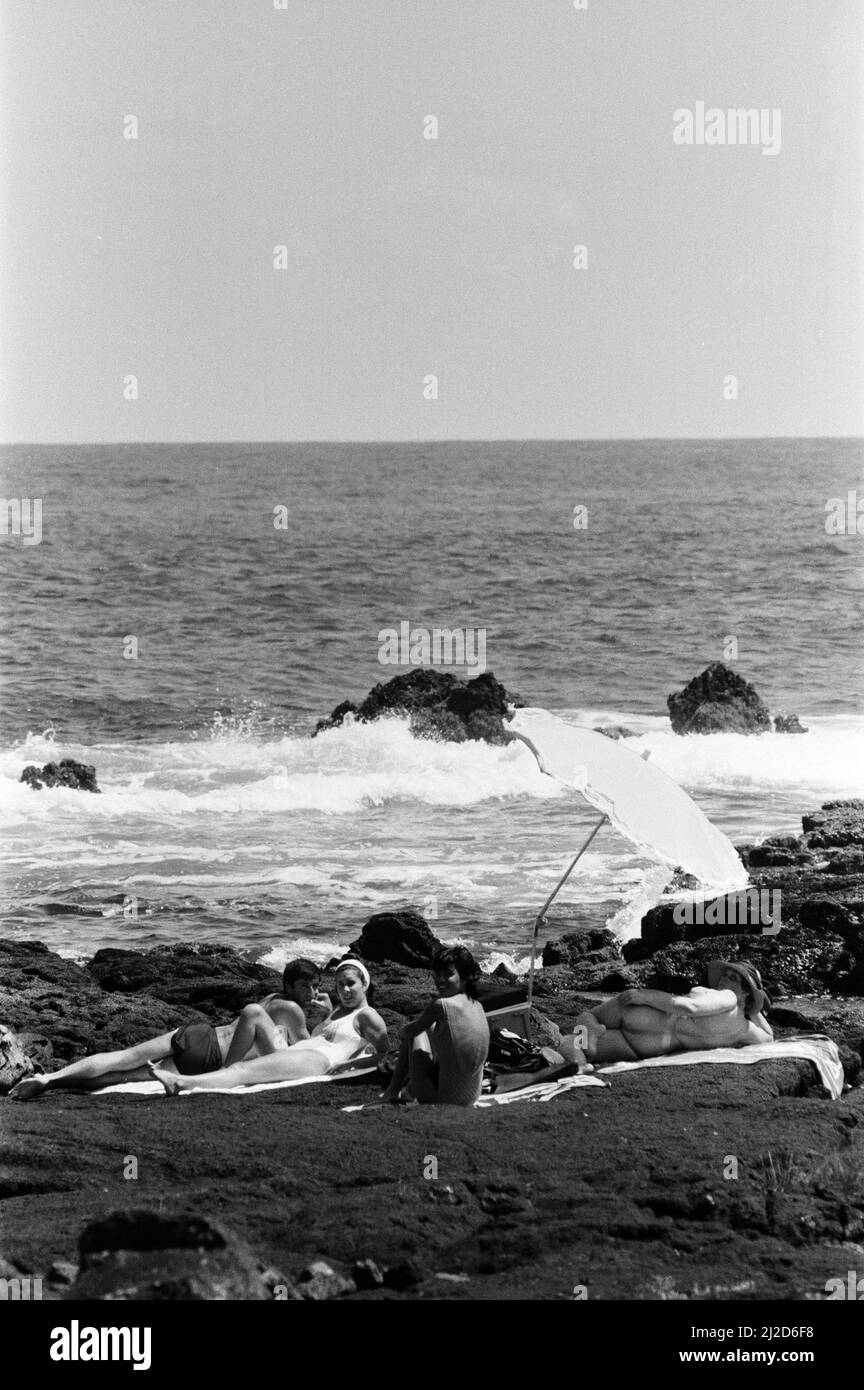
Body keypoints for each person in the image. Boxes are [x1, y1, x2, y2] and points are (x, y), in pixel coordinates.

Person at [8, 957, 329, 1101]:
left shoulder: (273, 998)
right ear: (288, 985)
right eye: (306, 987)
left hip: (199, 1032)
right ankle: (52, 1086)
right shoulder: (291, 1009)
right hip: (211, 1058)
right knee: (124, 1077)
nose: (311, 993)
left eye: (315, 987)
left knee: (125, 1058)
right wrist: (328, 1015)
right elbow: (308, 1048)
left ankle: (49, 1078)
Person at [148, 958, 388, 1093]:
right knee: (253, 1013)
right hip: (297, 1053)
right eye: (338, 985)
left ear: (364, 984)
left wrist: (350, 1065)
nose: (343, 990)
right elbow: (318, 1034)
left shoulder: (368, 1015)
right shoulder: (337, 1011)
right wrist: (326, 1014)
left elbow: (385, 1055)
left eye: (350, 984)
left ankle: (180, 1082)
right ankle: (212, 1073)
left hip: (317, 1059)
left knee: (243, 1071)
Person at [560, 960, 773, 1066]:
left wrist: (753, 1002)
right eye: (725, 974)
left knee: (569, 1043)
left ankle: (580, 1064)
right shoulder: (739, 1024)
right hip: (642, 1021)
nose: (725, 978)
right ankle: (589, 1035)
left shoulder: (733, 1006)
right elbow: (690, 1007)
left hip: (635, 1041)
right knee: (588, 1019)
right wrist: (753, 1003)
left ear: (746, 991)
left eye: (733, 977)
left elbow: (768, 1038)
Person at [380, 945, 490, 1107]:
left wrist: (430, 1008)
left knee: (415, 1035)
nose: (440, 980)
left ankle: (393, 1090)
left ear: (464, 978)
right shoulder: (477, 1005)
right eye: (437, 974)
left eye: (448, 974)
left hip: (444, 1100)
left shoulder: (441, 1005)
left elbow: (406, 1033)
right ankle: (408, 1089)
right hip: (471, 1097)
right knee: (433, 1029)